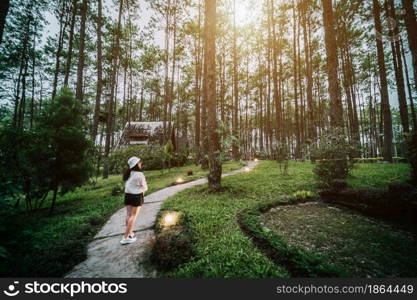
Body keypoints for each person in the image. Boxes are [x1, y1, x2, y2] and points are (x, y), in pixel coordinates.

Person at [120, 156, 148, 245]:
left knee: (128, 215)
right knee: (133, 216)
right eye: (139, 162)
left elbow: (128, 186)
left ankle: (130, 233)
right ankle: (125, 237)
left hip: (127, 195)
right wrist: (142, 193)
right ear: (136, 164)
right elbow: (145, 187)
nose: (141, 163)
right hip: (136, 196)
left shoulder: (128, 173)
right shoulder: (139, 174)